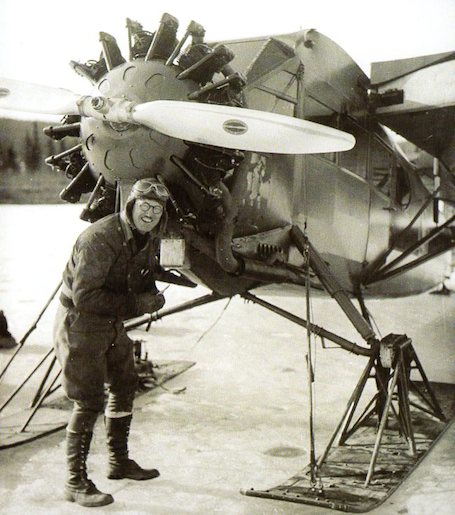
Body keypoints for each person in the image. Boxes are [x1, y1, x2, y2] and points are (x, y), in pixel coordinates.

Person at [53, 177, 170, 507]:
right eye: (144, 207)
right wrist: (137, 305)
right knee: (88, 400)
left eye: (156, 209)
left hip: (109, 320)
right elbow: (85, 297)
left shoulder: (145, 238)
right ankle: (74, 482)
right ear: (130, 206)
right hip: (80, 321)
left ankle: (118, 462)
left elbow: (140, 277)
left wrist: (151, 294)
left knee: (124, 382)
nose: (149, 214)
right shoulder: (100, 238)